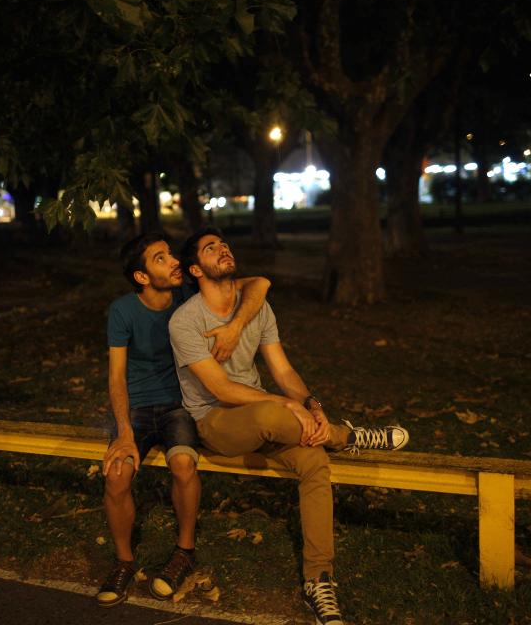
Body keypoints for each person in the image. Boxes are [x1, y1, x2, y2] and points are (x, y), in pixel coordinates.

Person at [168, 227, 408, 625]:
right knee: (271, 415)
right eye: (211, 249)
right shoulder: (185, 321)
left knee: (314, 462)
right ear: (195, 269)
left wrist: (311, 405)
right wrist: (287, 405)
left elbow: (282, 368)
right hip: (215, 421)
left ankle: (319, 579)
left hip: (270, 419)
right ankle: (347, 436)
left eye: (224, 244)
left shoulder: (255, 307)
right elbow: (222, 389)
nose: (223, 249)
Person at [96, 231, 271, 607]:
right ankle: (124, 561)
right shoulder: (123, 311)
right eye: (161, 258)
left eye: (171, 254)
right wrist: (124, 432)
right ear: (142, 277)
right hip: (138, 409)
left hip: (179, 406)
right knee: (117, 474)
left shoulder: (188, 299)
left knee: (182, 465)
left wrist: (237, 325)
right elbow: (116, 377)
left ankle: (184, 552)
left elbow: (258, 284)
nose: (174, 261)